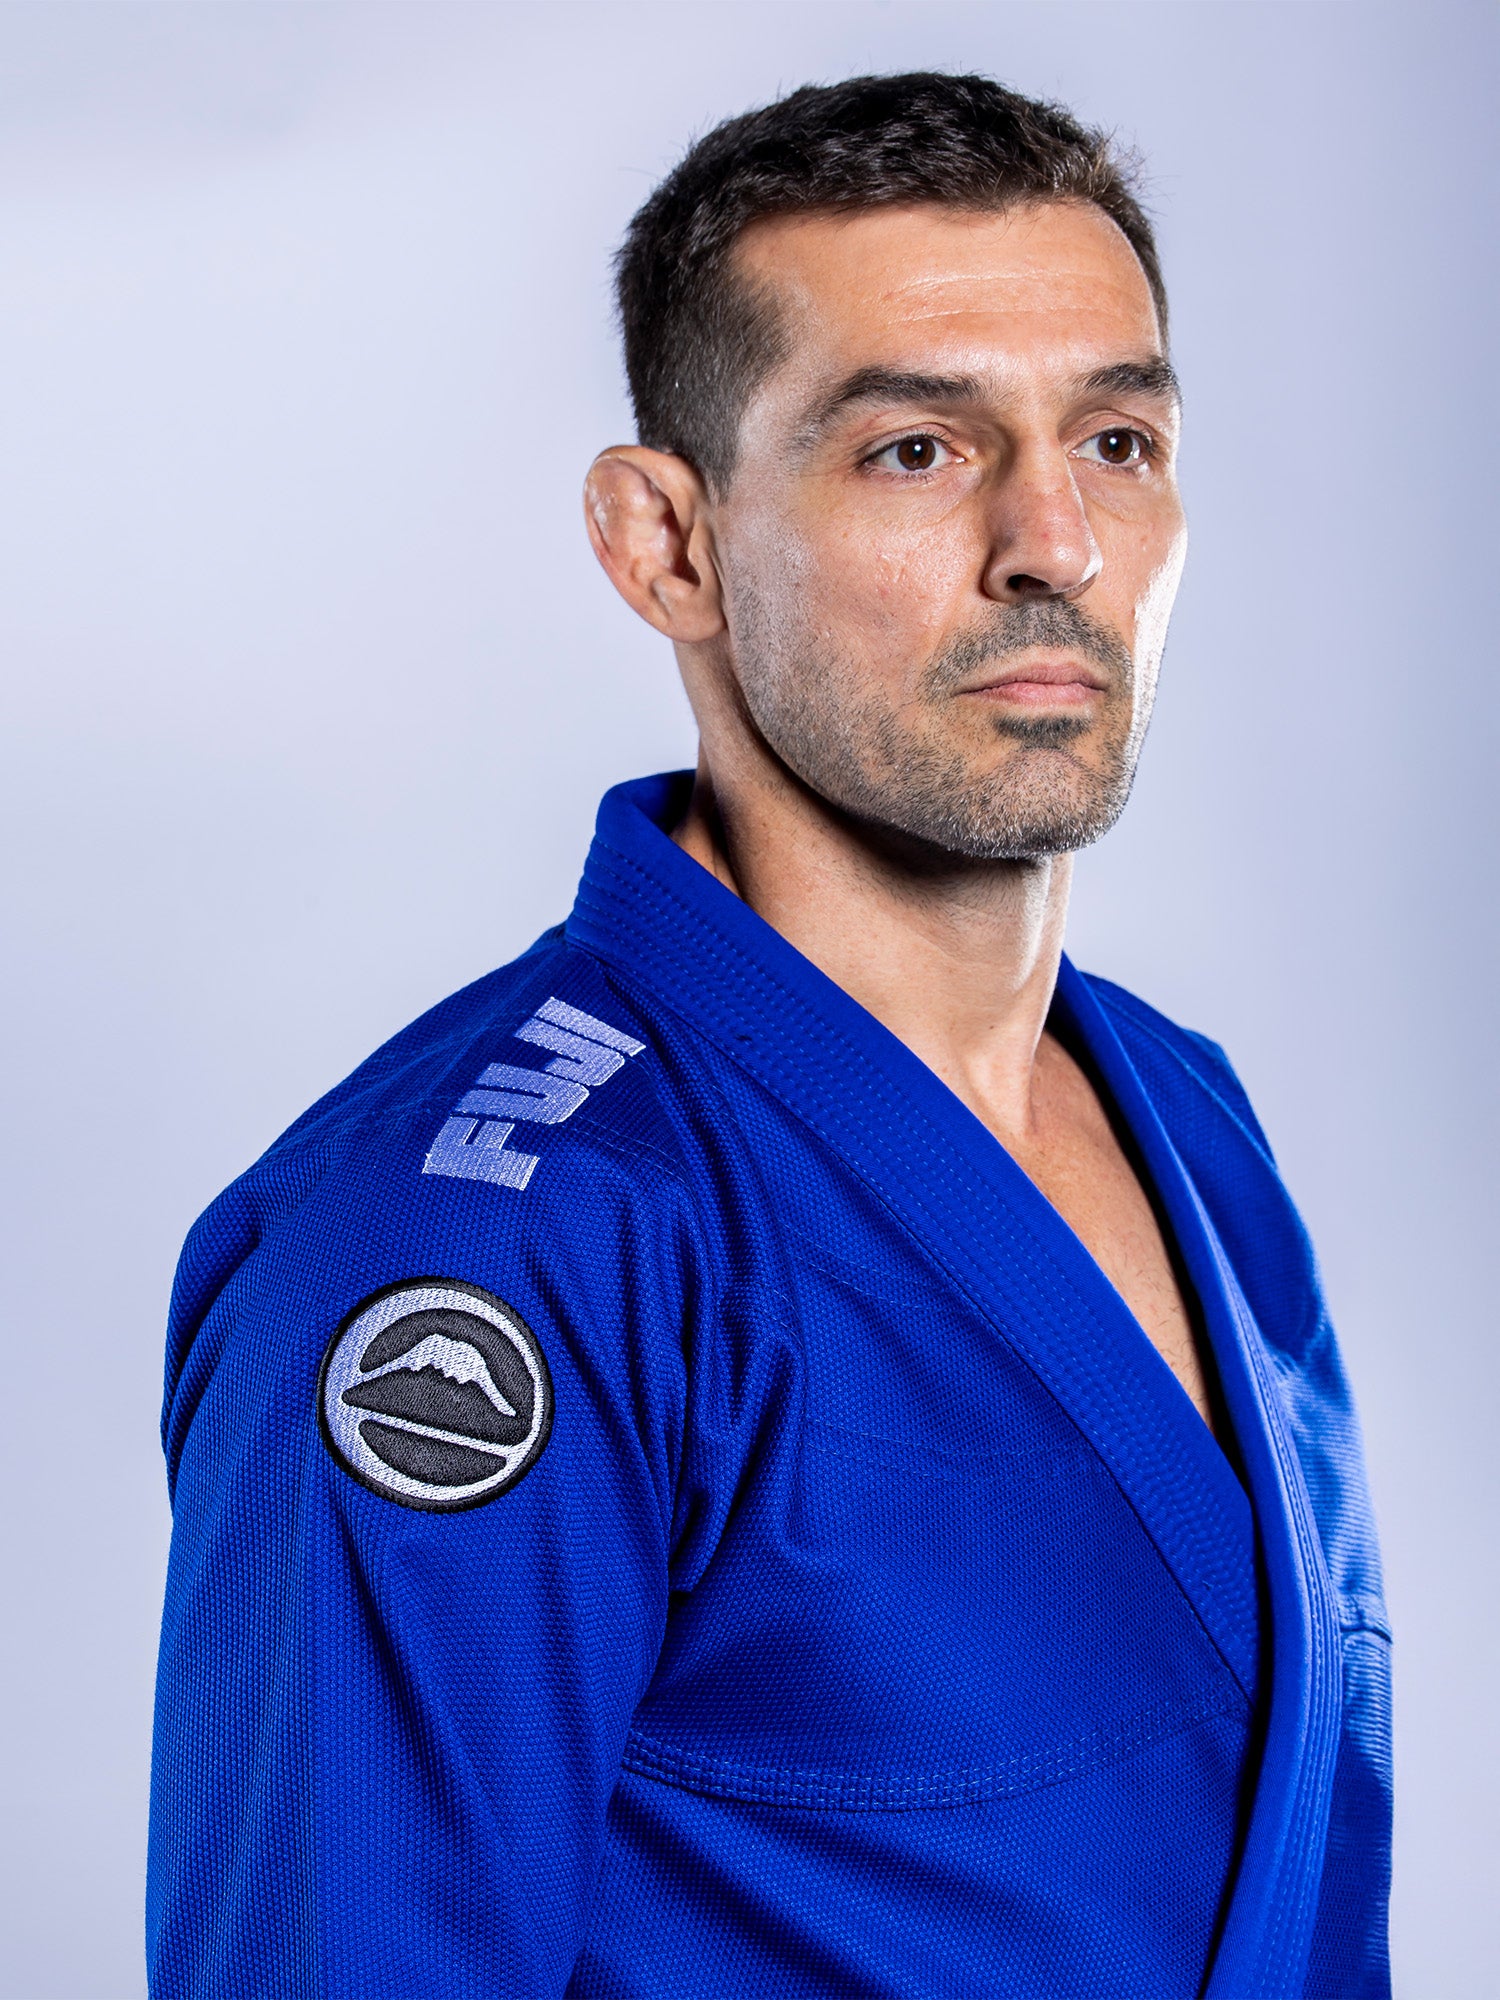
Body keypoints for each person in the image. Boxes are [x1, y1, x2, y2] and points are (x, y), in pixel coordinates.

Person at [148, 73, 1391, 2000]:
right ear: (670, 546)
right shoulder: (493, 1249)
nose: (1053, 538)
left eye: (1121, 437)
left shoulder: (1192, 1121)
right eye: (914, 449)